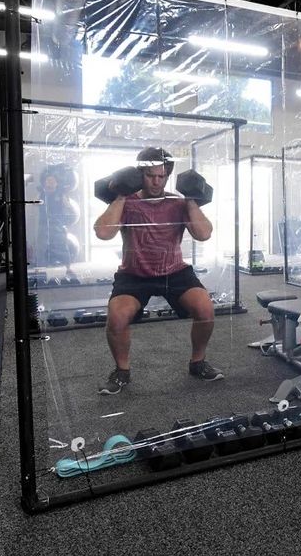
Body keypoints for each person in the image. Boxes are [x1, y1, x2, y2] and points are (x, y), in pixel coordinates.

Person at [93, 147, 220, 395]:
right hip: (134, 274)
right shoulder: (127, 202)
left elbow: (204, 234)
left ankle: (198, 362)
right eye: (150, 176)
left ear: (168, 176)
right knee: (117, 317)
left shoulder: (178, 203)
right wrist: (120, 196)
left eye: (162, 176)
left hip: (174, 271)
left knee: (205, 308)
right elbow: (103, 233)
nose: (156, 181)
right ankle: (121, 372)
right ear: (139, 175)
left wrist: (191, 199)